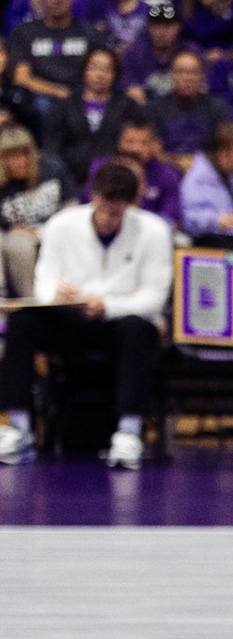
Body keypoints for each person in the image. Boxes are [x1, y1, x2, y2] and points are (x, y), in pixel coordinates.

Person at [0, 161, 170, 468]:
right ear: (93, 196)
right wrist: (56, 297)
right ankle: (18, 427)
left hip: (118, 320)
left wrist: (108, 306)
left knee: (139, 329)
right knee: (23, 321)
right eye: (103, 209)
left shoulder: (154, 232)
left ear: (130, 205)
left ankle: (128, 433)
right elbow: (44, 280)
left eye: (116, 213)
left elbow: (154, 297)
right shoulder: (62, 225)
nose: (107, 219)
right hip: (71, 318)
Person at [9, 0, 108, 106]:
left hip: (81, 97)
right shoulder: (24, 32)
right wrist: (57, 91)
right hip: (40, 98)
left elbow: (102, 74)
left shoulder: (90, 32)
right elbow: (22, 78)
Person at [44, 45, 137, 183]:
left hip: (116, 179)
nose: (100, 75)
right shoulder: (64, 106)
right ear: (84, 70)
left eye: (107, 69)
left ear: (115, 74)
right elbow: (52, 148)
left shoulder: (127, 106)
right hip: (71, 178)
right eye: (94, 68)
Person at [0, 126, 73, 298]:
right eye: (12, 156)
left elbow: (71, 206)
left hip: (54, 227)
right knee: (19, 246)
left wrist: (52, 229)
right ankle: (31, 302)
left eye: (24, 154)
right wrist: (9, 230)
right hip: (16, 235)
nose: (20, 161)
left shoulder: (52, 167)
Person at [150, 49, 233, 168]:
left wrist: (196, 164)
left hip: (208, 171)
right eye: (181, 72)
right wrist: (179, 163)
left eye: (193, 72)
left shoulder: (218, 107)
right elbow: (154, 150)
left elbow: (225, 148)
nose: (187, 78)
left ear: (202, 76)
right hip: (169, 170)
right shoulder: (156, 107)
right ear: (171, 74)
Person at [89, 118, 182, 225]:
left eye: (143, 143)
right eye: (130, 141)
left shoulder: (167, 173)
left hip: (148, 233)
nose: (136, 149)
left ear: (154, 145)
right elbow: (88, 207)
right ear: (119, 142)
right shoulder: (101, 169)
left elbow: (171, 218)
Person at [119, 0, 184, 103]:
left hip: (179, 110)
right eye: (156, 25)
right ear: (148, 27)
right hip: (144, 110)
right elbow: (126, 85)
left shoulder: (188, 55)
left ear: (178, 27)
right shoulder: (134, 53)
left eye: (167, 25)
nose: (161, 32)